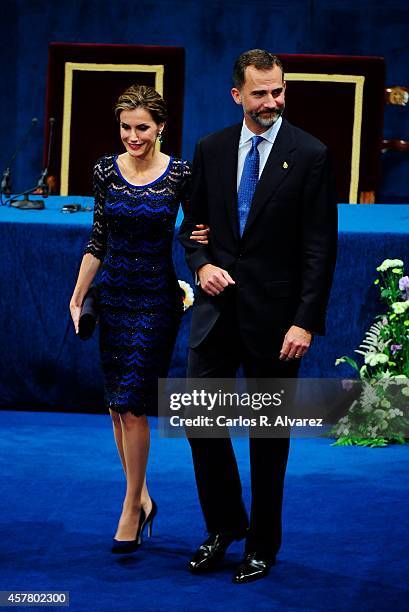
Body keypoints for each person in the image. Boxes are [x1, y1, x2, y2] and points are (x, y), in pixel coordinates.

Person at [179, 49, 338, 583]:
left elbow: (320, 248)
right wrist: (201, 266)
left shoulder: (310, 154)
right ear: (236, 95)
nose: (272, 102)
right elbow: (192, 228)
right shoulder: (211, 149)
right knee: (202, 420)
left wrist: (305, 321)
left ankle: (263, 545)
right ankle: (226, 525)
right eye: (261, 93)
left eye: (279, 91)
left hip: (277, 325)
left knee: (269, 441)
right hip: (216, 316)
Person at [70, 84, 208, 554]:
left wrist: (202, 238)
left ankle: (130, 506)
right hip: (114, 298)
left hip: (156, 300)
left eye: (142, 127)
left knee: (132, 404)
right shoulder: (105, 171)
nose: (133, 135)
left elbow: (197, 231)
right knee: (114, 403)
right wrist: (79, 292)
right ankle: (144, 496)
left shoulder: (181, 175)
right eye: (126, 127)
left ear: (161, 126)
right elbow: (98, 238)